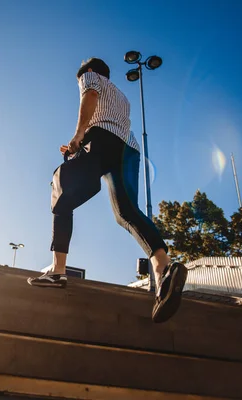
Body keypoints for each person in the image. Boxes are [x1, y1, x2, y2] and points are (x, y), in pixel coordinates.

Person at [27, 58, 187, 323]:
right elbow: (112, 124)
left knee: (60, 192)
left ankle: (57, 270)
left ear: (89, 71)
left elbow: (89, 97)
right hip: (128, 150)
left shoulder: (90, 78)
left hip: (100, 141)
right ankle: (163, 268)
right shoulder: (122, 96)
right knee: (126, 211)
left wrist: (79, 136)